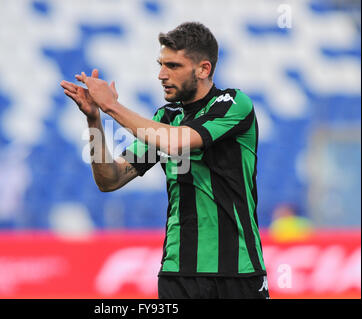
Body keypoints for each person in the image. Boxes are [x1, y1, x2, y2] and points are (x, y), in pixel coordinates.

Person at [61, 22, 269, 299]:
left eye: (173, 66)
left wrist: (111, 106)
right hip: (178, 273)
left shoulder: (233, 103)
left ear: (203, 69)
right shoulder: (166, 118)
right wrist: (94, 119)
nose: (161, 75)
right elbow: (110, 180)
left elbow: (177, 141)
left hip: (238, 271)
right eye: (161, 64)